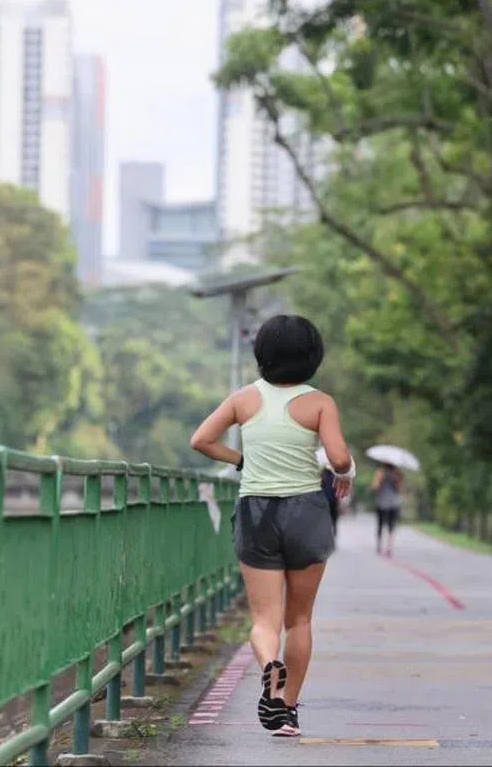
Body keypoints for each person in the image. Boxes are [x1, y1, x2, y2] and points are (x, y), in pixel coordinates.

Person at [190, 314, 353, 738]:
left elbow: (201, 440)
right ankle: (287, 710)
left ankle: (269, 667)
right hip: (305, 511)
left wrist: (241, 460)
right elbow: (337, 460)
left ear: (262, 354)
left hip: (256, 510)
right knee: (300, 620)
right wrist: (347, 471)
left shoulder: (243, 399)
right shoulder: (319, 403)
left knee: (266, 620)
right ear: (312, 356)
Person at [371, 464, 403, 557]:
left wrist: (396, 479)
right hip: (382, 503)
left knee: (390, 525)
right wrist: (379, 480)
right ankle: (380, 545)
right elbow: (375, 488)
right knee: (382, 524)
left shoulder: (397, 474)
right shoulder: (380, 473)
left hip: (392, 503)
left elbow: (399, 489)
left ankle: (388, 546)